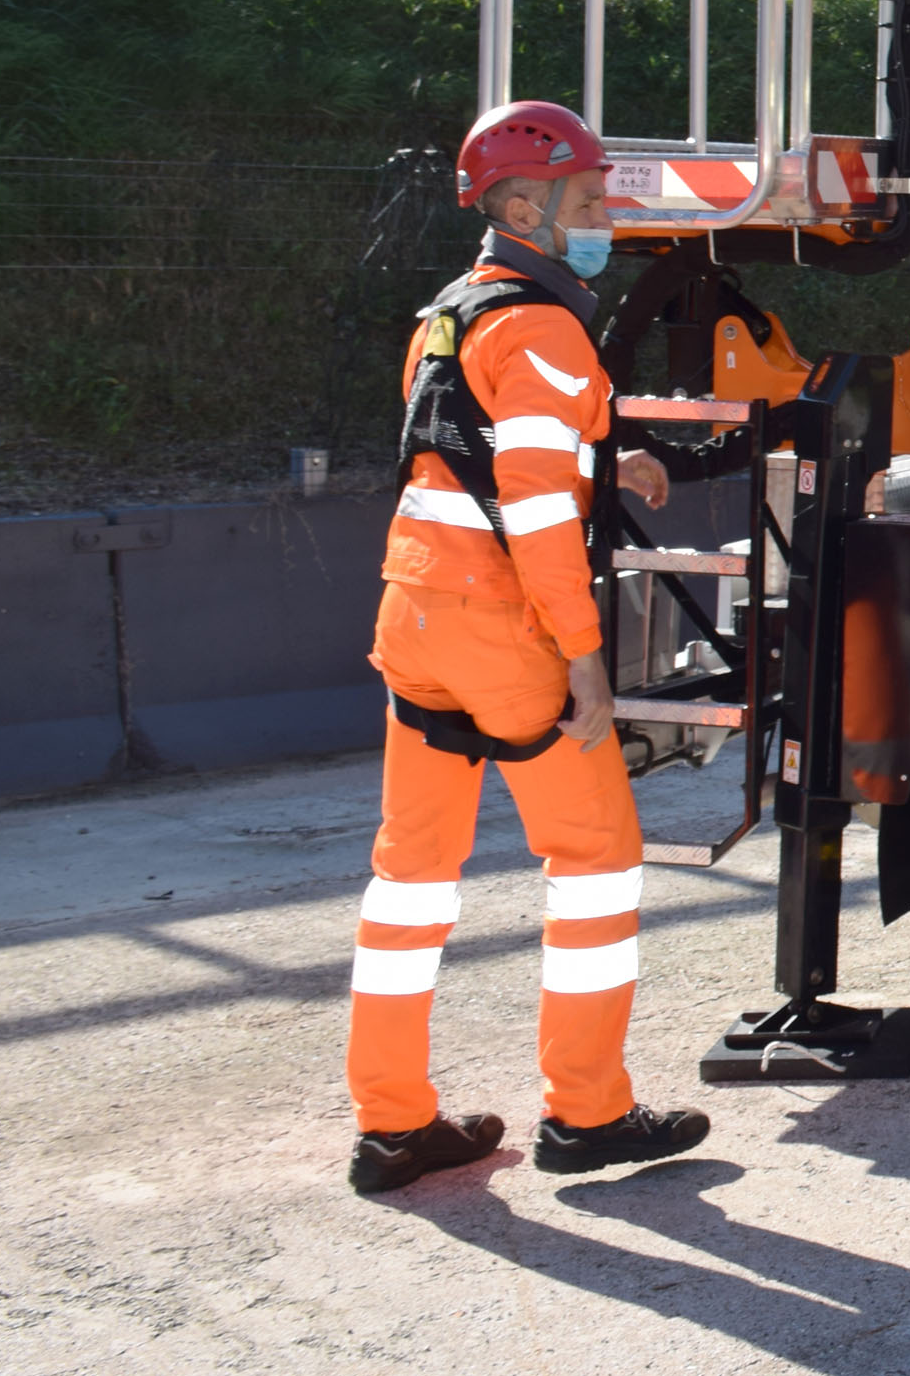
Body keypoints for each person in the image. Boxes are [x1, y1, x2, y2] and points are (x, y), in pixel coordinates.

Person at [346, 99, 711, 1196]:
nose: (606, 220)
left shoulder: (451, 314)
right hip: (507, 629)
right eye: (590, 203)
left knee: (409, 878)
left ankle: (394, 1123)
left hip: (414, 614)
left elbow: (465, 451)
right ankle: (588, 1115)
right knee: (596, 860)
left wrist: (612, 464)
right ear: (522, 206)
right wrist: (585, 651)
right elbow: (536, 511)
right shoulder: (546, 328)